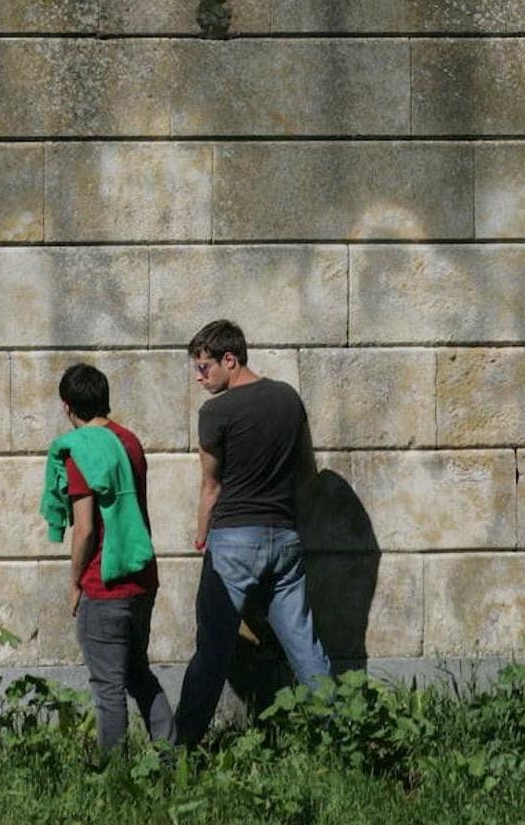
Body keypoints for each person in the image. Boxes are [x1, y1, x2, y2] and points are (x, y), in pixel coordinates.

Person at [173, 320, 330, 746]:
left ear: (231, 359)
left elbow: (211, 485)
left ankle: (178, 752)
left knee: (212, 651)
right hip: (285, 538)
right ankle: (343, 738)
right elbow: (306, 474)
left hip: (234, 541)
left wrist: (201, 535)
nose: (198, 376)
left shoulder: (216, 412)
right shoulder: (288, 399)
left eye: (204, 367)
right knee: (306, 649)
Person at [40, 363, 172, 751]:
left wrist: (74, 583)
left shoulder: (82, 450)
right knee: (138, 674)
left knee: (108, 687)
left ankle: (114, 777)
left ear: (67, 407)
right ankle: (170, 757)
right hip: (142, 579)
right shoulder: (129, 440)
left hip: (105, 583)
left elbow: (84, 529)